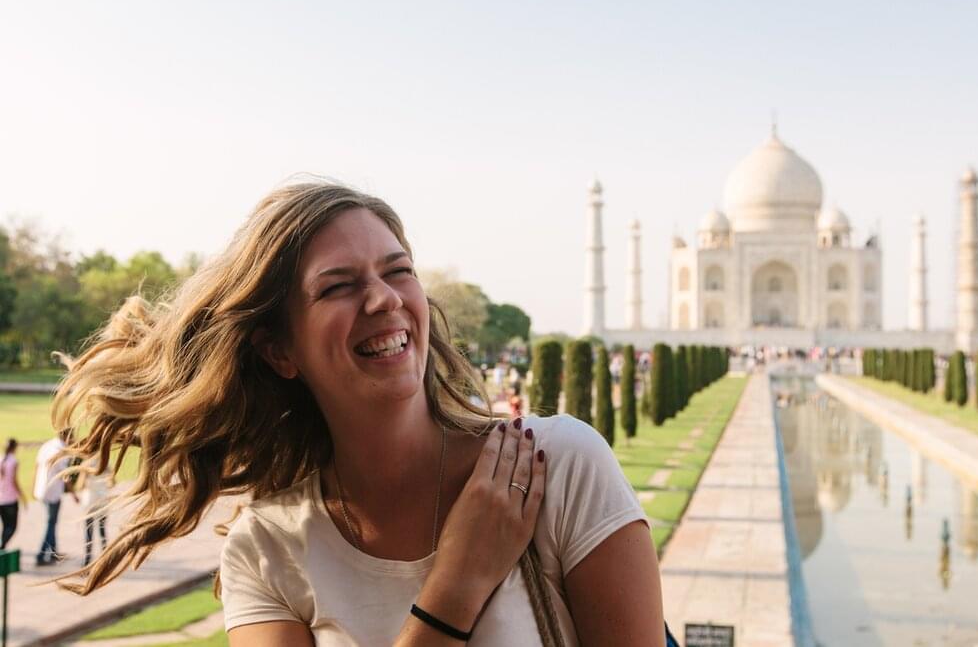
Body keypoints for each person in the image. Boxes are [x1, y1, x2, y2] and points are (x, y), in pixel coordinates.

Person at [51, 179, 664, 645]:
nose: (383, 298)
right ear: (280, 350)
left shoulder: (555, 466)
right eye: (338, 286)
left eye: (399, 271)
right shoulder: (267, 551)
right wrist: (456, 586)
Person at [33, 429, 76, 566]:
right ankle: (41, 555)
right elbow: (65, 476)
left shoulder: (47, 445)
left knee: (52, 522)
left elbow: (36, 466)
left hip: (42, 489)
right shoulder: (60, 451)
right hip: (52, 492)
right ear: (67, 436)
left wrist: (33, 487)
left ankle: (53, 553)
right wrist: (74, 494)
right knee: (51, 524)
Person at [79, 458, 112, 567]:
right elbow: (112, 483)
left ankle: (87, 560)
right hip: (102, 498)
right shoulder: (106, 462)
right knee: (102, 530)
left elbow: (81, 485)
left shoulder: (86, 463)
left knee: (89, 531)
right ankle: (105, 558)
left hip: (90, 500)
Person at [0, 438, 27, 549]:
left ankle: (3, 547)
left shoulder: (1, 459)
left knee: (5, 526)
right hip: (10, 500)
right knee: (12, 527)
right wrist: (23, 497)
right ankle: (2, 546)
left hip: (1, 499)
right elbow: (14, 481)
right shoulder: (13, 461)